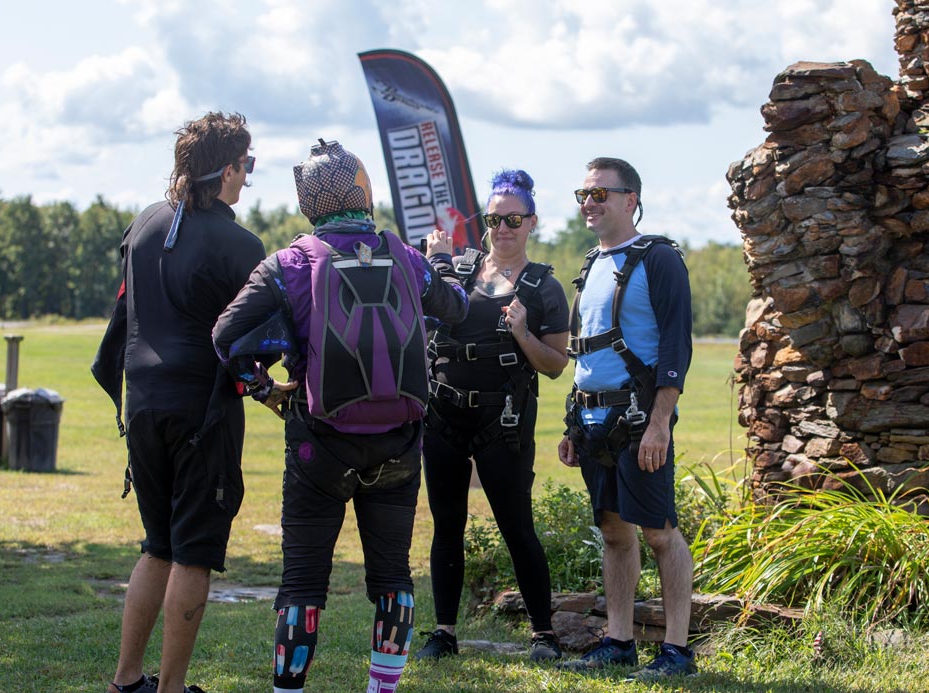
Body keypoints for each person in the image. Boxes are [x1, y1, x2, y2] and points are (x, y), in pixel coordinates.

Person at [211, 139, 469, 693]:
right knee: (393, 577)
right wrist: (443, 261)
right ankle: (382, 689)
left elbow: (227, 337)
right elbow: (457, 307)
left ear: (309, 202)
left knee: (303, 582)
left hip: (316, 448)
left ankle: (289, 689)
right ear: (361, 190)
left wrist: (264, 387)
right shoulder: (405, 256)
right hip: (400, 446)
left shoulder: (289, 264)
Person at [91, 112, 265, 693]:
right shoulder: (241, 245)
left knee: (157, 544)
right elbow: (260, 338)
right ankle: (169, 690)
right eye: (248, 165)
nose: (249, 177)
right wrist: (273, 389)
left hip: (140, 405)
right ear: (228, 169)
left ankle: (125, 682)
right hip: (201, 413)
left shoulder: (143, 223)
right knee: (193, 554)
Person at [414, 170, 570, 663]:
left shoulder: (544, 288)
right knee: (447, 525)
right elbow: (422, 308)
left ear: (531, 223)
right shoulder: (457, 270)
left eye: (514, 219)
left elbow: (555, 365)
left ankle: (543, 634)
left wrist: (523, 334)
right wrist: (432, 262)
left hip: (503, 422)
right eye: (495, 218)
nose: (503, 227)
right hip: (443, 415)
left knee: (516, 525)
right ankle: (443, 632)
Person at [556, 157, 696, 680]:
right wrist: (573, 425)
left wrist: (661, 422)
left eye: (600, 194)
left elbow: (676, 347)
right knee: (614, 531)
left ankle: (677, 652)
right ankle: (619, 641)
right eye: (583, 194)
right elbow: (585, 355)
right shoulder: (591, 263)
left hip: (641, 422)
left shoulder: (658, 260)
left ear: (630, 198)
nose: (589, 203)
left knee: (660, 532)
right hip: (594, 424)